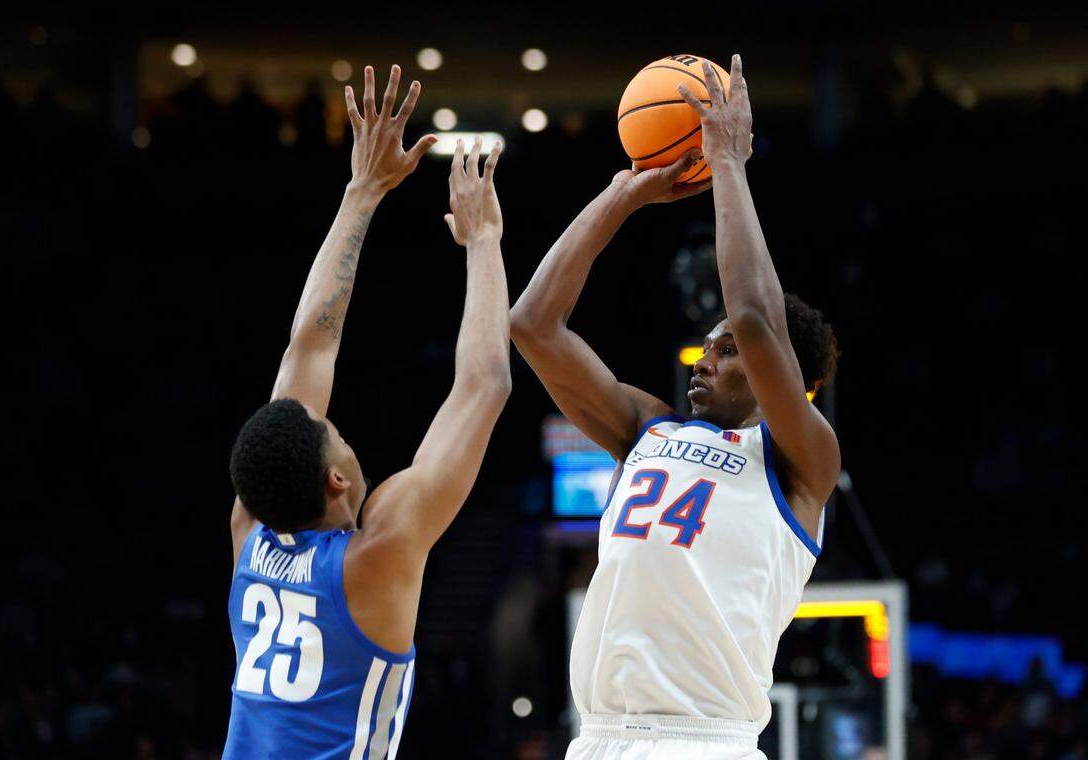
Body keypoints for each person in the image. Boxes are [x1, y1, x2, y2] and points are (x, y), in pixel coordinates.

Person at [511, 54, 839, 760]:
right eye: (705, 347)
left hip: (703, 742)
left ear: (784, 380)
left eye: (724, 354)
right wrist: (622, 195)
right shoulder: (648, 431)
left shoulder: (800, 462)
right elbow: (533, 324)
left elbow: (754, 317)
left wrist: (727, 162)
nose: (705, 358)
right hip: (598, 738)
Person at [222, 65, 510, 760]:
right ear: (338, 481)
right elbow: (485, 385)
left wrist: (363, 189)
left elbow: (310, 347)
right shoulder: (375, 555)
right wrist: (484, 242)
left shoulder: (251, 533)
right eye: (337, 436)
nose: (339, 428)